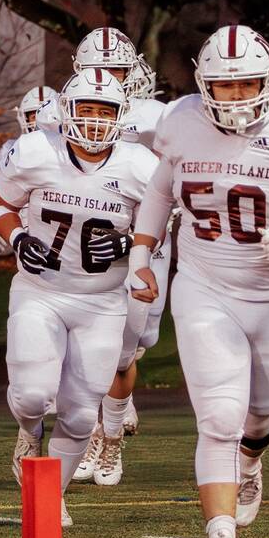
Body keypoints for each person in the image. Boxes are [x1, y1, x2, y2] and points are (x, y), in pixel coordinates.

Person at [134, 26, 269, 538]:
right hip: (204, 285)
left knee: (266, 408)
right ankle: (220, 534)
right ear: (204, 87)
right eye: (226, 86)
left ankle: (251, 463)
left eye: (249, 82)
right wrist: (141, 254)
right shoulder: (180, 122)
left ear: (268, 79)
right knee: (220, 415)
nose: (239, 95)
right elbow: (159, 189)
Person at [0, 68, 161, 526]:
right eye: (86, 108)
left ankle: (50, 497)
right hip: (40, 291)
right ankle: (28, 435)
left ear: (121, 116)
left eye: (105, 111)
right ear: (66, 111)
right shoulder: (35, 151)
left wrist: (129, 245)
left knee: (83, 416)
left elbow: (159, 225)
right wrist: (17, 236)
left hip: (103, 302)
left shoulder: (140, 165)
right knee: (31, 396)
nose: (94, 120)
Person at [72, 27, 167, 487]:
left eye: (116, 70)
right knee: (93, 348)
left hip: (145, 241)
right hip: (84, 246)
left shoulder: (157, 116)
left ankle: (111, 429)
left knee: (128, 349)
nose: (108, 77)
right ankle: (102, 435)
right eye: (98, 70)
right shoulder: (63, 107)